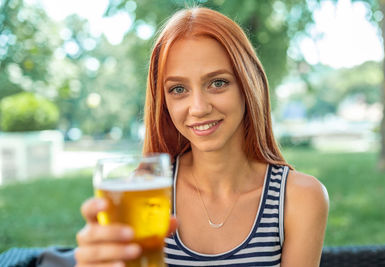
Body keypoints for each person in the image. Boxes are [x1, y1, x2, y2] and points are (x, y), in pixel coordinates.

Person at [75, 7, 329, 267]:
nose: (198, 107)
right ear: (163, 102)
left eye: (217, 83)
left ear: (248, 84)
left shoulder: (298, 198)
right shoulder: (142, 196)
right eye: (178, 89)